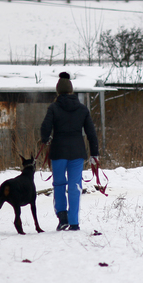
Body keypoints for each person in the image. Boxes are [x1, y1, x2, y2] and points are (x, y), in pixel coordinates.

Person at [39, 72, 100, 231]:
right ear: (72, 90)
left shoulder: (53, 107)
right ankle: (74, 222)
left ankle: (62, 217)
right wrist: (94, 153)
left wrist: (45, 138)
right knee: (75, 186)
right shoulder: (82, 109)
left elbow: (45, 128)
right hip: (77, 153)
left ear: (58, 91)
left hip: (58, 152)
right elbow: (91, 133)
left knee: (59, 184)